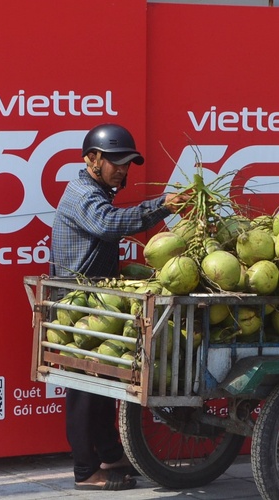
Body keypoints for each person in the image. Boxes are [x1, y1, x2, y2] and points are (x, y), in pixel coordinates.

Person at [50, 122, 190, 491]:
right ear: (91, 159)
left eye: (127, 163)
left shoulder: (97, 190)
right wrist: (160, 206)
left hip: (96, 304)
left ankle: (110, 455)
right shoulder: (84, 194)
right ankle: (85, 472)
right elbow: (108, 224)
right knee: (83, 389)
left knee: (102, 386)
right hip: (76, 308)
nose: (123, 169)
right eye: (115, 161)